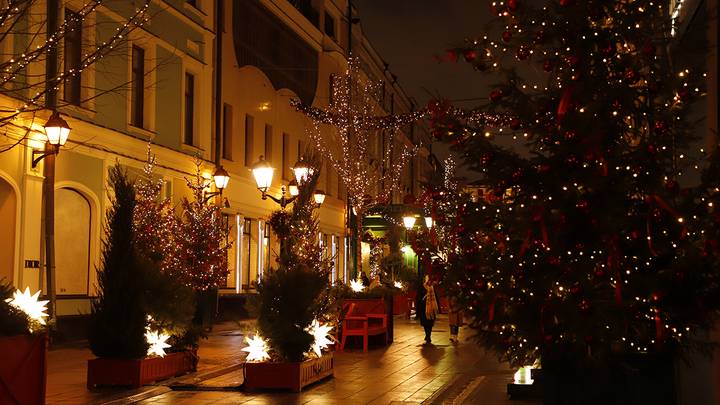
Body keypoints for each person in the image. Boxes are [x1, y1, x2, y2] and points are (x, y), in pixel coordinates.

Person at [416, 273, 438, 344]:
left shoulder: (432, 288)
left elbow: (436, 298)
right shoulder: (421, 287)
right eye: (428, 280)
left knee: (430, 323)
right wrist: (418, 309)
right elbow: (418, 298)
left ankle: (428, 336)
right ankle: (427, 334)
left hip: (431, 309)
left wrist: (437, 308)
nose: (429, 282)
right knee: (425, 323)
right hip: (423, 309)